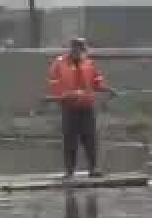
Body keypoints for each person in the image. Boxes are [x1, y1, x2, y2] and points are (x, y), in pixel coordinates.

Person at [47, 38, 116, 179]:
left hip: (87, 107)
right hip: (69, 107)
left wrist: (108, 90)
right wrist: (64, 95)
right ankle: (69, 171)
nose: (79, 52)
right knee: (70, 140)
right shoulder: (59, 64)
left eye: (81, 50)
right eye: (77, 49)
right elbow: (53, 84)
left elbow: (96, 82)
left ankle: (93, 168)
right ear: (71, 48)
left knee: (90, 138)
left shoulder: (89, 63)